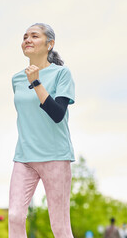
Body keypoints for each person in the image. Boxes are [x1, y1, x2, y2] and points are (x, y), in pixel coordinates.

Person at [8, 23, 75, 238]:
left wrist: (36, 82)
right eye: (25, 36)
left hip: (55, 156)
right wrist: (30, 79)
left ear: (50, 44)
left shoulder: (62, 74)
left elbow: (57, 115)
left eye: (34, 36)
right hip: (24, 157)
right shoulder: (17, 79)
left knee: (60, 227)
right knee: (15, 216)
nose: (27, 39)